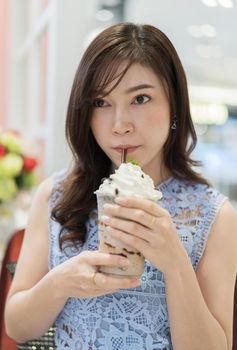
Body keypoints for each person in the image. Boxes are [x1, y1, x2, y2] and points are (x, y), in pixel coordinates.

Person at [4, 22, 237, 350]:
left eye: (140, 98)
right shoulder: (56, 195)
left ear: (175, 105)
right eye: (100, 102)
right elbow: (17, 326)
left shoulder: (214, 215)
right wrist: (60, 282)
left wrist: (174, 261)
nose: (120, 125)